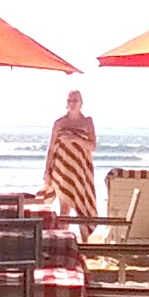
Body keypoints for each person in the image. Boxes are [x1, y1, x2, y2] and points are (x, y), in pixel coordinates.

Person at [43, 90, 100, 222]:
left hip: (81, 170)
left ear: (81, 103)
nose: (72, 103)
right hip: (62, 170)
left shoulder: (87, 122)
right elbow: (51, 148)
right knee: (65, 208)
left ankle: (84, 235)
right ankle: (65, 233)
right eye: (69, 100)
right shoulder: (59, 123)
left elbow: (93, 146)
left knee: (83, 209)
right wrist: (47, 171)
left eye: (75, 100)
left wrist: (75, 139)